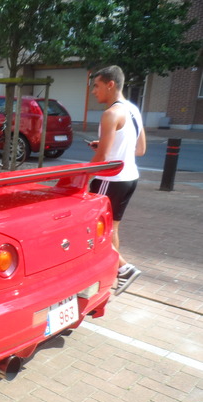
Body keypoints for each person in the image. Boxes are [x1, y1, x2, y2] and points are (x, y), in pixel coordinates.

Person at [88, 65, 146, 295]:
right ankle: (113, 275)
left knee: (93, 230)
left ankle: (125, 268)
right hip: (129, 177)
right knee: (111, 230)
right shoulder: (133, 110)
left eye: (97, 86)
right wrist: (106, 146)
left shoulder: (110, 113)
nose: (94, 91)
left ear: (110, 84)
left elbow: (102, 158)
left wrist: (81, 175)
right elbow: (139, 149)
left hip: (108, 179)